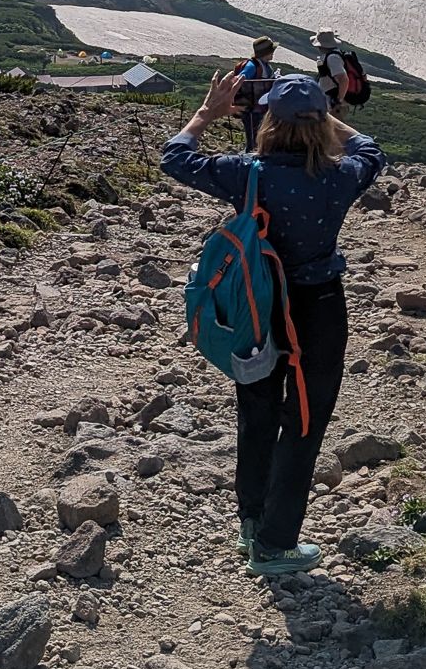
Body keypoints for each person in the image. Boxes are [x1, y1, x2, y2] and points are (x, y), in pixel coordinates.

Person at [163, 69, 382, 575]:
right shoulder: (339, 175)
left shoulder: (248, 172)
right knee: (303, 421)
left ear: (269, 122)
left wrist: (206, 112)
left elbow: (175, 157)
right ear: (320, 124)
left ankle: (251, 522)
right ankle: (276, 542)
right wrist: (328, 117)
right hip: (317, 307)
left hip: (255, 306)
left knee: (257, 411)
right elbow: (371, 151)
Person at [232, 36, 278, 150]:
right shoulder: (252, 66)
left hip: (261, 108)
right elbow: (240, 79)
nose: (273, 54)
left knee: (260, 137)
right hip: (252, 109)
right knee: (254, 139)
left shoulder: (263, 65)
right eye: (271, 51)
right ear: (265, 52)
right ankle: (250, 160)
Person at [311, 29, 351, 117]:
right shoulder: (333, 55)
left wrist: (338, 101)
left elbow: (343, 79)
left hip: (331, 100)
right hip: (328, 98)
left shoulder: (332, 58)